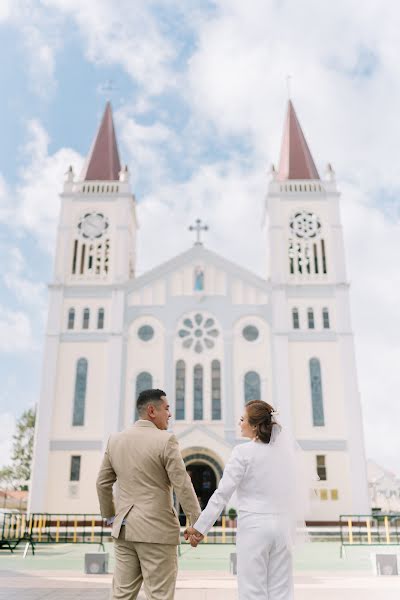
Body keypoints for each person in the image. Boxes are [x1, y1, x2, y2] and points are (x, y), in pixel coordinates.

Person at [185, 400, 308, 600]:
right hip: (282, 527)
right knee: (282, 591)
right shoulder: (285, 454)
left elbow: (222, 493)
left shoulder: (243, 452)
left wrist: (200, 527)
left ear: (254, 426)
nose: (239, 423)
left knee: (252, 590)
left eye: (243, 419)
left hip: (254, 527)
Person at [96, 388, 201, 600]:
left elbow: (102, 483)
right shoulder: (165, 440)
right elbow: (182, 483)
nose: (170, 414)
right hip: (157, 530)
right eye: (167, 409)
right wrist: (198, 521)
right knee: (159, 595)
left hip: (124, 529)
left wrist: (110, 516)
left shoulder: (115, 440)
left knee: (121, 595)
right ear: (152, 410)